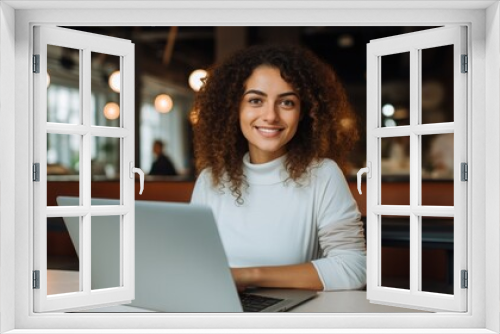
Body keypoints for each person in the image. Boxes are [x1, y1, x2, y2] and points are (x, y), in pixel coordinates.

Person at [190, 45, 366, 292]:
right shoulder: (211, 180)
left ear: (303, 113)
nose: (270, 115)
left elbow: (354, 267)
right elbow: (193, 265)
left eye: (286, 102)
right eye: (255, 100)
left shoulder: (323, 175)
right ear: (234, 108)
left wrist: (249, 276)